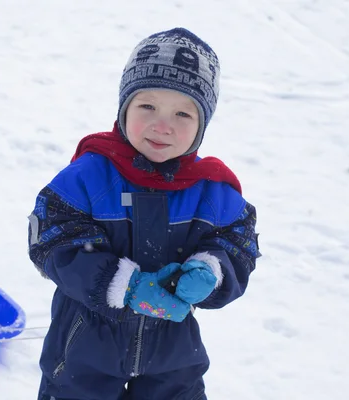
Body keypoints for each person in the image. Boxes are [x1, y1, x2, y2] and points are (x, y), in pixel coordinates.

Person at [27, 27, 261, 400]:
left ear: (202, 124)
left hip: (172, 347)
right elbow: (54, 241)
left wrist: (211, 270)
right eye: (147, 106)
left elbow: (237, 243)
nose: (162, 125)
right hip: (86, 339)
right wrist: (125, 286)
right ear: (124, 109)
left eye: (183, 113)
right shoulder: (89, 175)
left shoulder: (212, 189)